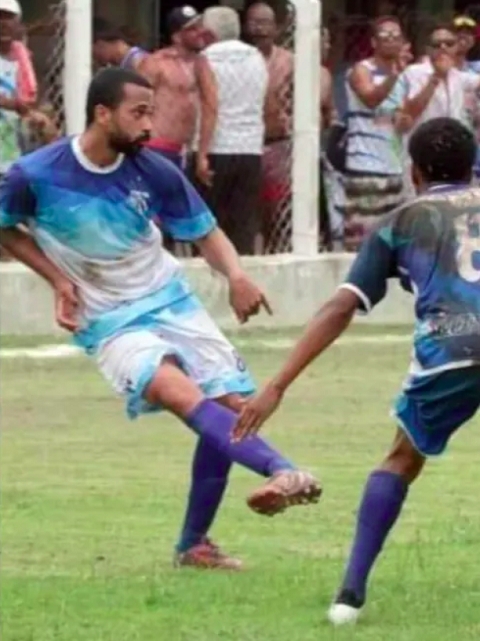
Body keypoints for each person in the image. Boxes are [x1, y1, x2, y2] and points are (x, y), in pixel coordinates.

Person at [0, 67, 320, 570]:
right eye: (140, 113)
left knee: (229, 407)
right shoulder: (35, 173)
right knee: (177, 391)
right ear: (102, 114)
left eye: (152, 111)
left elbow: (206, 231)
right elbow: (5, 226)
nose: (151, 124)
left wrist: (235, 275)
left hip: (171, 301)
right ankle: (283, 470)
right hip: (107, 319)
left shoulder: (155, 170)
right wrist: (57, 279)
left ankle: (194, 546)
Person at [233, 117, 480, 618]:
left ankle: (350, 595)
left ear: (413, 171)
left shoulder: (400, 221)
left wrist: (277, 385)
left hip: (451, 352)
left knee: (401, 461)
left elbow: (340, 308)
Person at [190, 6, 268, 255]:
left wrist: (202, 153)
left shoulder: (206, 58)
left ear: (210, 33)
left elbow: (210, 106)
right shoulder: (257, 56)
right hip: (250, 148)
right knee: (243, 221)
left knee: (210, 221)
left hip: (218, 148)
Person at [342, 16, 411, 250]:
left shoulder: (401, 77)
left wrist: (404, 119)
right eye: (386, 36)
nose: (392, 40)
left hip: (394, 167)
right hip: (365, 168)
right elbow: (371, 98)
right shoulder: (361, 70)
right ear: (373, 42)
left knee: (393, 242)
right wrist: (394, 74)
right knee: (361, 243)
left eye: (396, 36)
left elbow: (401, 119)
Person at [138, 6, 217, 182]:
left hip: (181, 150)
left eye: (200, 26)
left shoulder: (200, 64)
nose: (200, 32)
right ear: (177, 37)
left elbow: (211, 105)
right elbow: (134, 102)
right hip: (154, 146)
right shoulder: (156, 63)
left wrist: (202, 154)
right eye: (192, 29)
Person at [244, 2, 293, 253]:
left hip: (277, 146)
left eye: (265, 22)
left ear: (277, 28)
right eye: (254, 21)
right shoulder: (238, 59)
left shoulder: (289, 61)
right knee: (247, 212)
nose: (260, 28)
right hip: (245, 145)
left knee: (276, 213)